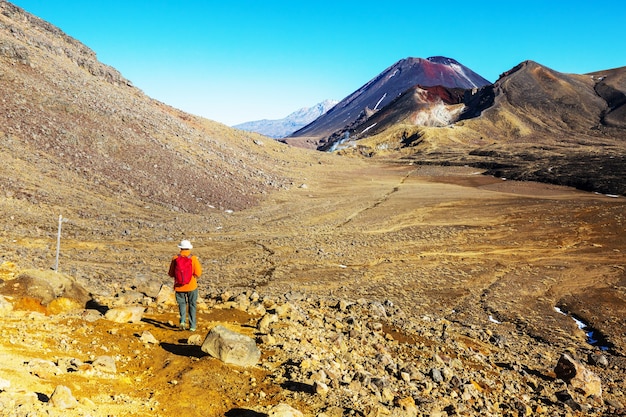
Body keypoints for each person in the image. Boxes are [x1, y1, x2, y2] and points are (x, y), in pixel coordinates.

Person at [168, 239, 202, 331]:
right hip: (192, 286)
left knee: (182, 304)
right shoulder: (193, 258)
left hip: (179, 287)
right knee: (192, 305)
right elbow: (198, 273)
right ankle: (192, 326)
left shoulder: (175, 258)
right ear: (189, 248)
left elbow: (171, 273)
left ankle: (182, 321)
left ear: (180, 248)